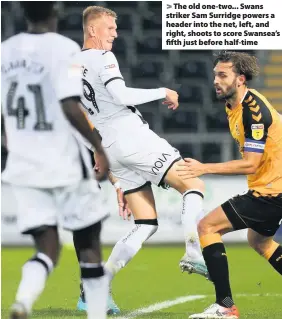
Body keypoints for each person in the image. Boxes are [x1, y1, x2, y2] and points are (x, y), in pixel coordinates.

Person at [74, 5, 208, 314]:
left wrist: (103, 159)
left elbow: (75, 116)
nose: (116, 34)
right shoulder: (103, 57)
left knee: (145, 223)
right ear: (93, 30)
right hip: (132, 136)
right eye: (110, 28)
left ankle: (96, 288)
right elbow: (120, 95)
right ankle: (193, 252)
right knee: (193, 183)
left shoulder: (71, 66)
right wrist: (163, 91)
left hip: (109, 147)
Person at [1, 2, 110, 318]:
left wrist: (11, 142)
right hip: (62, 162)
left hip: (23, 165)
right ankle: (97, 314)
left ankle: (23, 299)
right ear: (56, 11)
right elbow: (69, 104)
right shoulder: (67, 49)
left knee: (46, 246)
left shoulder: (4, 51)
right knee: (89, 240)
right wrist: (98, 147)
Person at [177, 51, 282, 319]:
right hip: (271, 187)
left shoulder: (252, 111)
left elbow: (250, 164)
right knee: (260, 242)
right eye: (215, 75)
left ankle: (225, 307)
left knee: (207, 226)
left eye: (223, 75)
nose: (216, 80)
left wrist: (204, 167)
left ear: (240, 79)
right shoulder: (233, 105)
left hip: (271, 192)